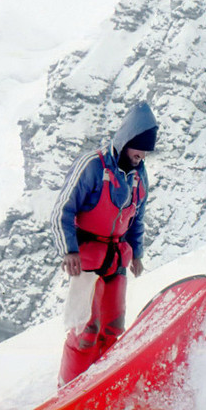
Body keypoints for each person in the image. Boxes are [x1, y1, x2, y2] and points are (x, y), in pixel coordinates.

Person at [50, 101, 158, 385]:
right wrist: (69, 250)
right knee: (84, 330)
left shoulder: (139, 174)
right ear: (126, 141)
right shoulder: (93, 166)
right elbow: (62, 210)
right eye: (139, 148)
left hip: (117, 260)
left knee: (112, 329)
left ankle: (101, 385)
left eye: (146, 151)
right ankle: (70, 388)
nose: (142, 155)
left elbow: (137, 218)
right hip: (86, 260)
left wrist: (137, 254)